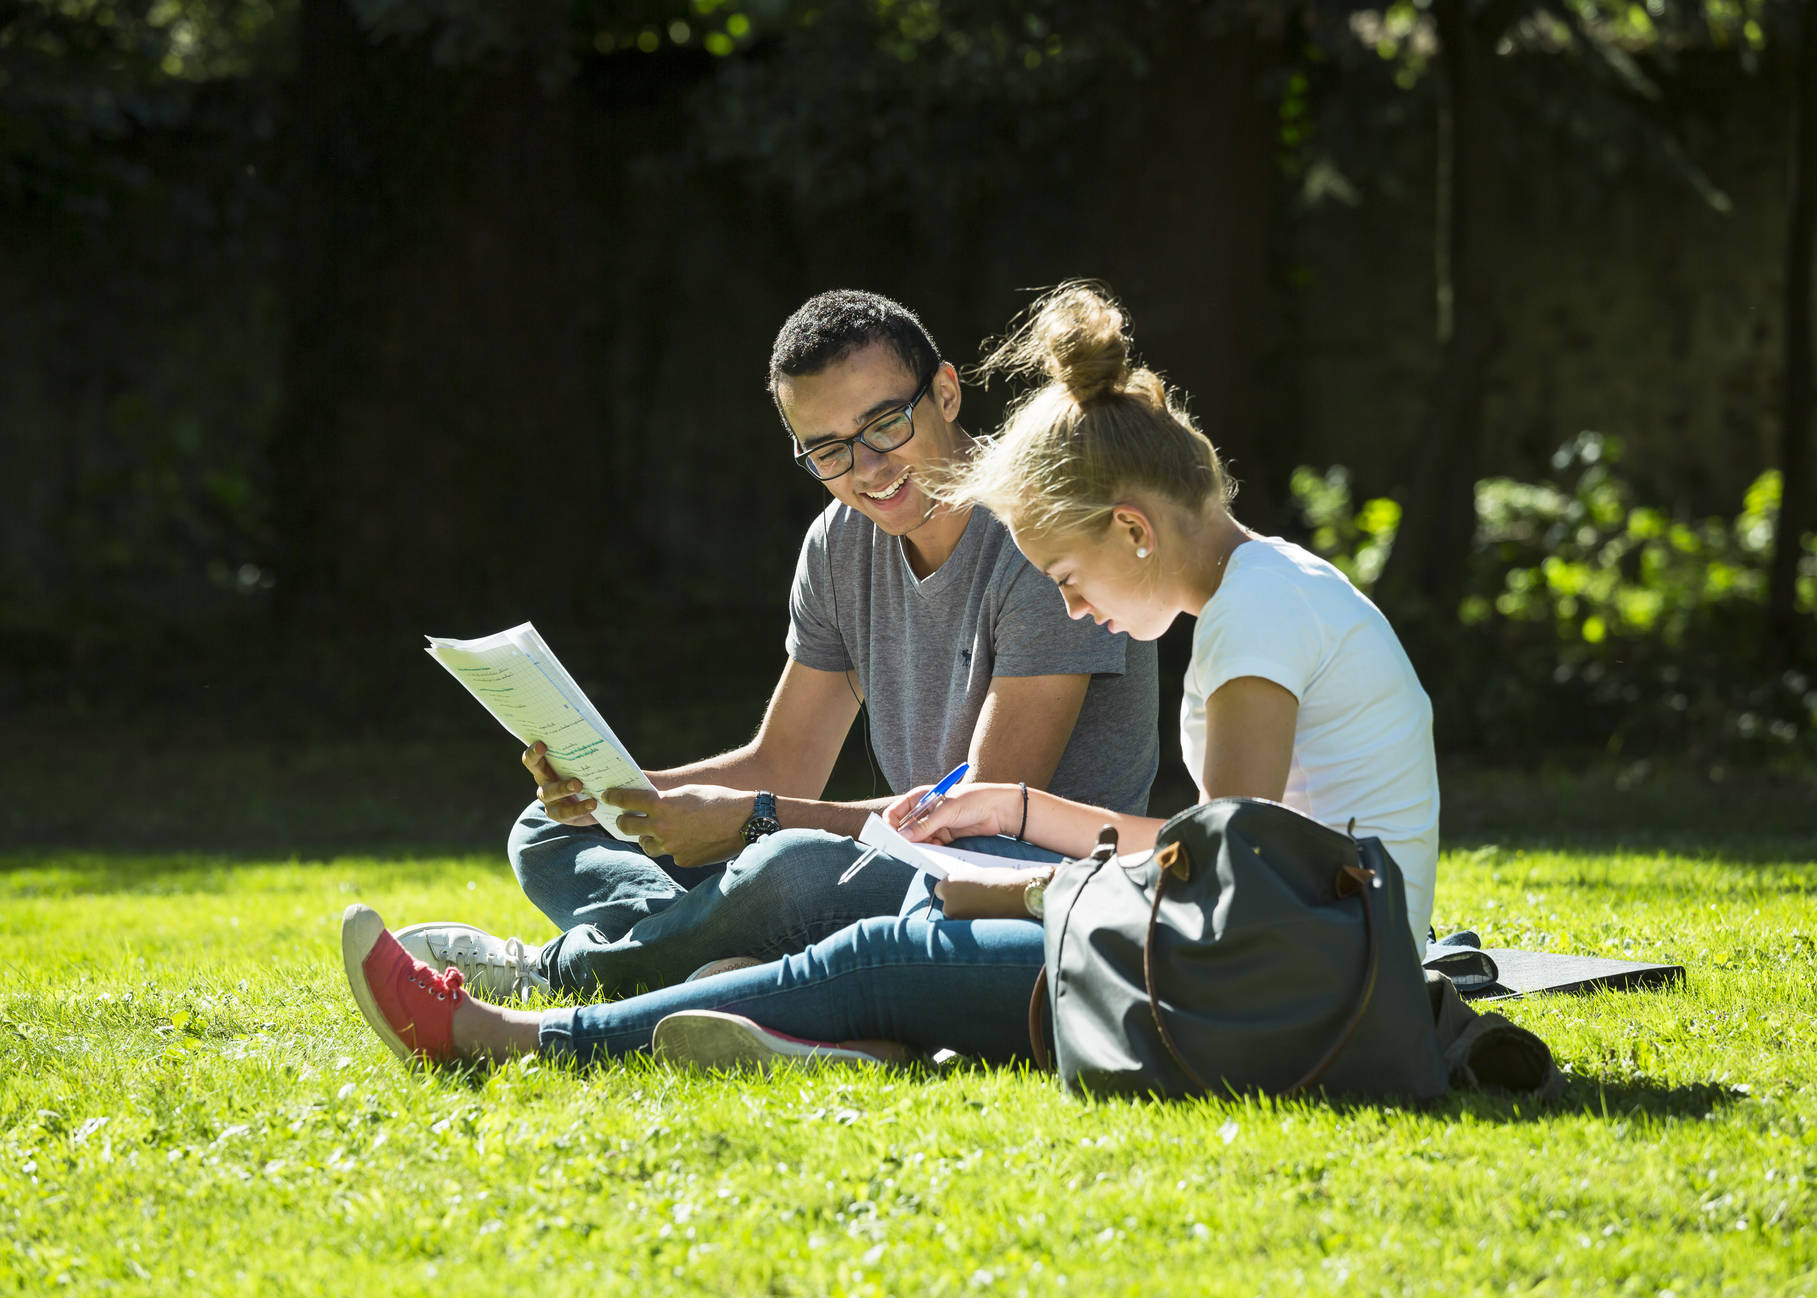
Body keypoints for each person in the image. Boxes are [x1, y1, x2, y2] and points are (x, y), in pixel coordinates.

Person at [341, 281, 1439, 1072]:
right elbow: (1220, 859)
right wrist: (632, 791)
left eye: (1069, 572)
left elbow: (1226, 873)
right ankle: (810, 1023)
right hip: (1260, 956)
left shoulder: (1244, 612)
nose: (1070, 602)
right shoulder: (1256, 600)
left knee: (834, 908)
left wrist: (1013, 866)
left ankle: (541, 1011)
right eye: (827, 448)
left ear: (1130, 528)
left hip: (1278, 977)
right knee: (593, 839)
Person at [391, 288, 1159, 1001]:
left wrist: (755, 819)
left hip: (1014, 876)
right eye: (826, 451)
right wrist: (624, 792)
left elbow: (982, 813)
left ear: (947, 393)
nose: (866, 470)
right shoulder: (838, 544)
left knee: (782, 867)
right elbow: (785, 762)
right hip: (889, 856)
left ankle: (572, 972)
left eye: (885, 424)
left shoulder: (1042, 532)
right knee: (553, 827)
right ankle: (723, 965)